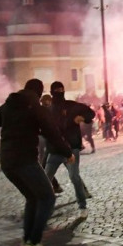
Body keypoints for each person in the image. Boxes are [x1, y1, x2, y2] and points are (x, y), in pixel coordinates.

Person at [0, 78, 74, 246]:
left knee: (32, 198)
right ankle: (34, 241)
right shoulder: (36, 108)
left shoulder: (11, 105)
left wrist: (10, 109)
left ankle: (27, 241)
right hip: (25, 159)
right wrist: (68, 153)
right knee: (48, 197)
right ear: (39, 92)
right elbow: (52, 133)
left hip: (7, 161)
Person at [44, 81, 95, 219]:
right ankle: (45, 206)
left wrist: (83, 118)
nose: (59, 91)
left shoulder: (71, 105)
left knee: (74, 176)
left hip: (71, 148)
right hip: (55, 150)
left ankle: (82, 205)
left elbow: (90, 112)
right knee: (45, 178)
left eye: (61, 89)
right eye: (56, 89)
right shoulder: (48, 110)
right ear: (52, 92)